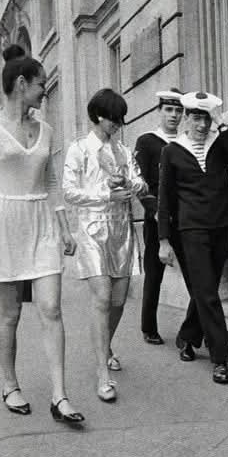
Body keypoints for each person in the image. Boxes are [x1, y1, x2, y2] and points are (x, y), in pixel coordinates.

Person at [0, 44, 83, 423]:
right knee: (10, 315)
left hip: (43, 223)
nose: (44, 93)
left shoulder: (46, 129)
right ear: (21, 84)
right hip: (5, 222)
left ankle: (60, 396)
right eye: (40, 86)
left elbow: (51, 182)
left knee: (51, 307)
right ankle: (10, 383)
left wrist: (65, 227)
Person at [158, 91, 228, 384]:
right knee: (208, 292)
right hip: (191, 229)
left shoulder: (219, 142)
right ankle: (220, 357)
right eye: (196, 117)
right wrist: (163, 240)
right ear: (186, 118)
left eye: (206, 117)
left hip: (221, 224)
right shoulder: (172, 151)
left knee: (204, 288)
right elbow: (165, 200)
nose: (201, 124)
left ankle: (188, 336)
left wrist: (222, 124)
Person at [63, 88, 147, 402]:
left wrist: (129, 182)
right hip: (91, 229)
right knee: (101, 296)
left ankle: (105, 345)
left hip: (122, 231)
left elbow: (141, 184)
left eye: (120, 119)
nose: (118, 124)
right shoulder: (79, 149)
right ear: (99, 116)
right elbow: (69, 192)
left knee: (119, 299)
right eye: (115, 118)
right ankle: (103, 373)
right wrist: (104, 195)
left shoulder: (123, 152)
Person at [135, 89, 183, 345]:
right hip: (157, 217)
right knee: (154, 274)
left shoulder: (186, 141)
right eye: (168, 109)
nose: (174, 115)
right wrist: (154, 212)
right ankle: (149, 327)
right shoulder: (147, 141)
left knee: (199, 276)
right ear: (159, 111)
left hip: (186, 217)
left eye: (178, 110)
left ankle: (201, 330)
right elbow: (139, 183)